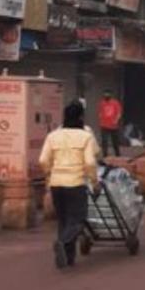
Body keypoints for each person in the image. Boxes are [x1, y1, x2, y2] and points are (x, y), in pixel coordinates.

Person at [39, 101, 99, 269]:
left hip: (56, 184)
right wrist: (95, 182)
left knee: (64, 221)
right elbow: (90, 163)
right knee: (78, 220)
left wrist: (49, 176)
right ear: (81, 117)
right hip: (76, 183)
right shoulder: (85, 136)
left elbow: (43, 160)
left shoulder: (53, 136)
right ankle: (62, 242)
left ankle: (68, 258)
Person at [98, 90, 123, 157]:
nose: (106, 95)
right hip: (104, 125)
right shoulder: (102, 103)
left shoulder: (115, 103)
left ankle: (117, 154)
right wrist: (101, 119)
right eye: (105, 94)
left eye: (107, 94)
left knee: (115, 141)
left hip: (113, 126)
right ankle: (105, 154)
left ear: (111, 95)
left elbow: (119, 113)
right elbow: (100, 113)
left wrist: (116, 120)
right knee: (104, 141)